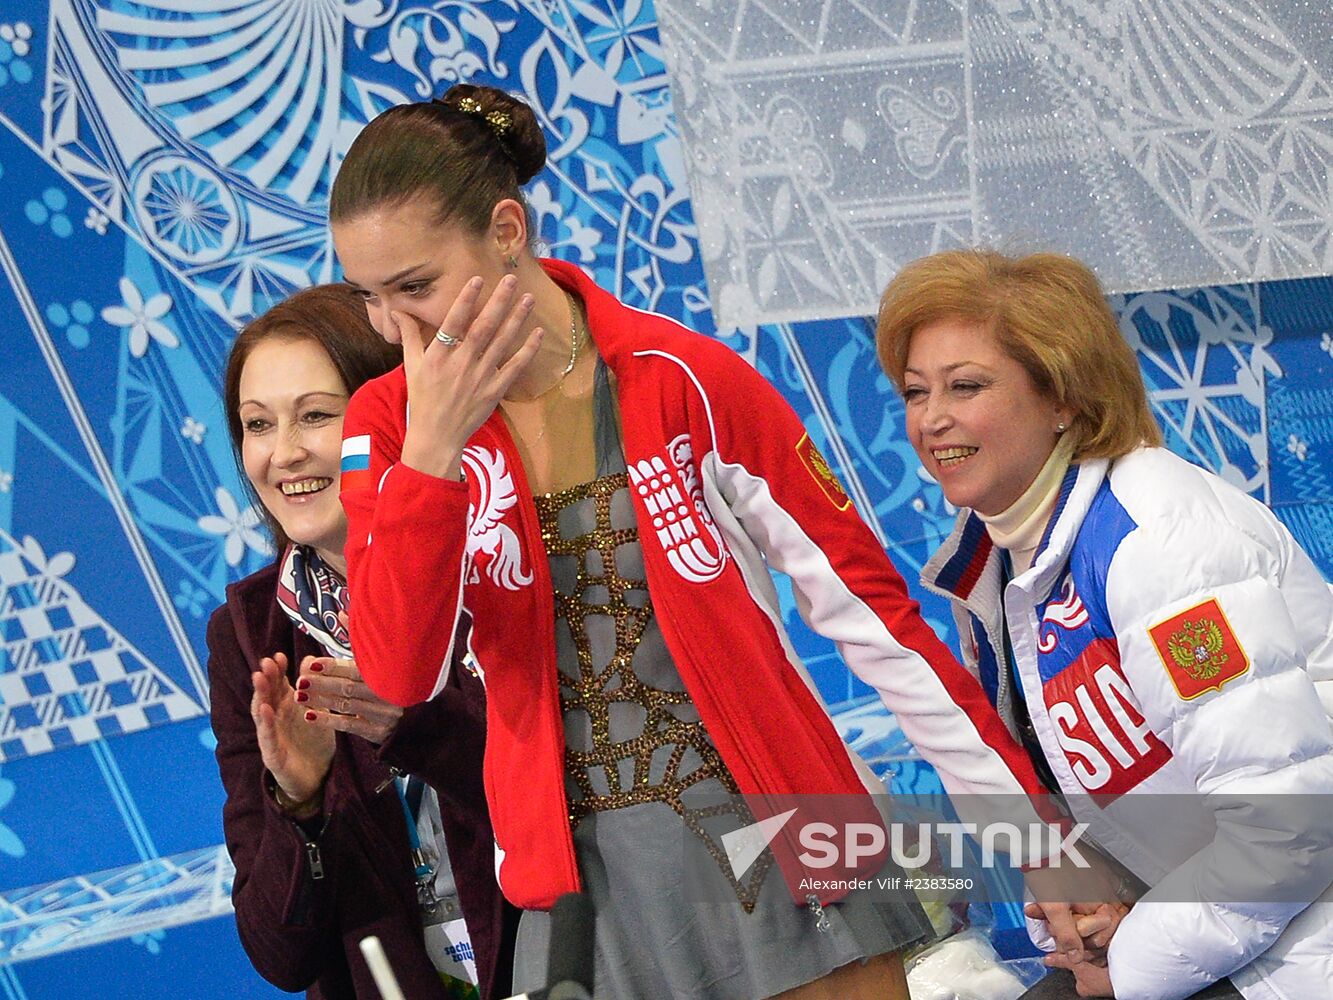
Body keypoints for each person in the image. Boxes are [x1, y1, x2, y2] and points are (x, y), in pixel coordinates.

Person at [327, 84, 1101, 1000]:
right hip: (582, 895)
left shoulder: (686, 379)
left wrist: (1037, 844)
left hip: (789, 843)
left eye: (414, 287)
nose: (393, 328)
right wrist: (430, 457)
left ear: (506, 230)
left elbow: (879, 627)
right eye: (368, 297)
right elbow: (399, 671)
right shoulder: (387, 428)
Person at [876, 248, 1333, 999]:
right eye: (914, 391)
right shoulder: (995, 563)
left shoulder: (1159, 545)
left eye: (966, 386)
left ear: (1063, 397)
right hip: (1213, 935)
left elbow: (1287, 829)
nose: (931, 420)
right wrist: (1089, 908)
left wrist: (1132, 958)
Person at [207, 284, 517, 1000]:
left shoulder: (502, 562)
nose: (283, 453)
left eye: (315, 416)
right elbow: (279, 957)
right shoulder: (250, 634)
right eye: (257, 425)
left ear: (394, 412)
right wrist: (297, 803)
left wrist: (421, 726)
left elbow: (598, 804)